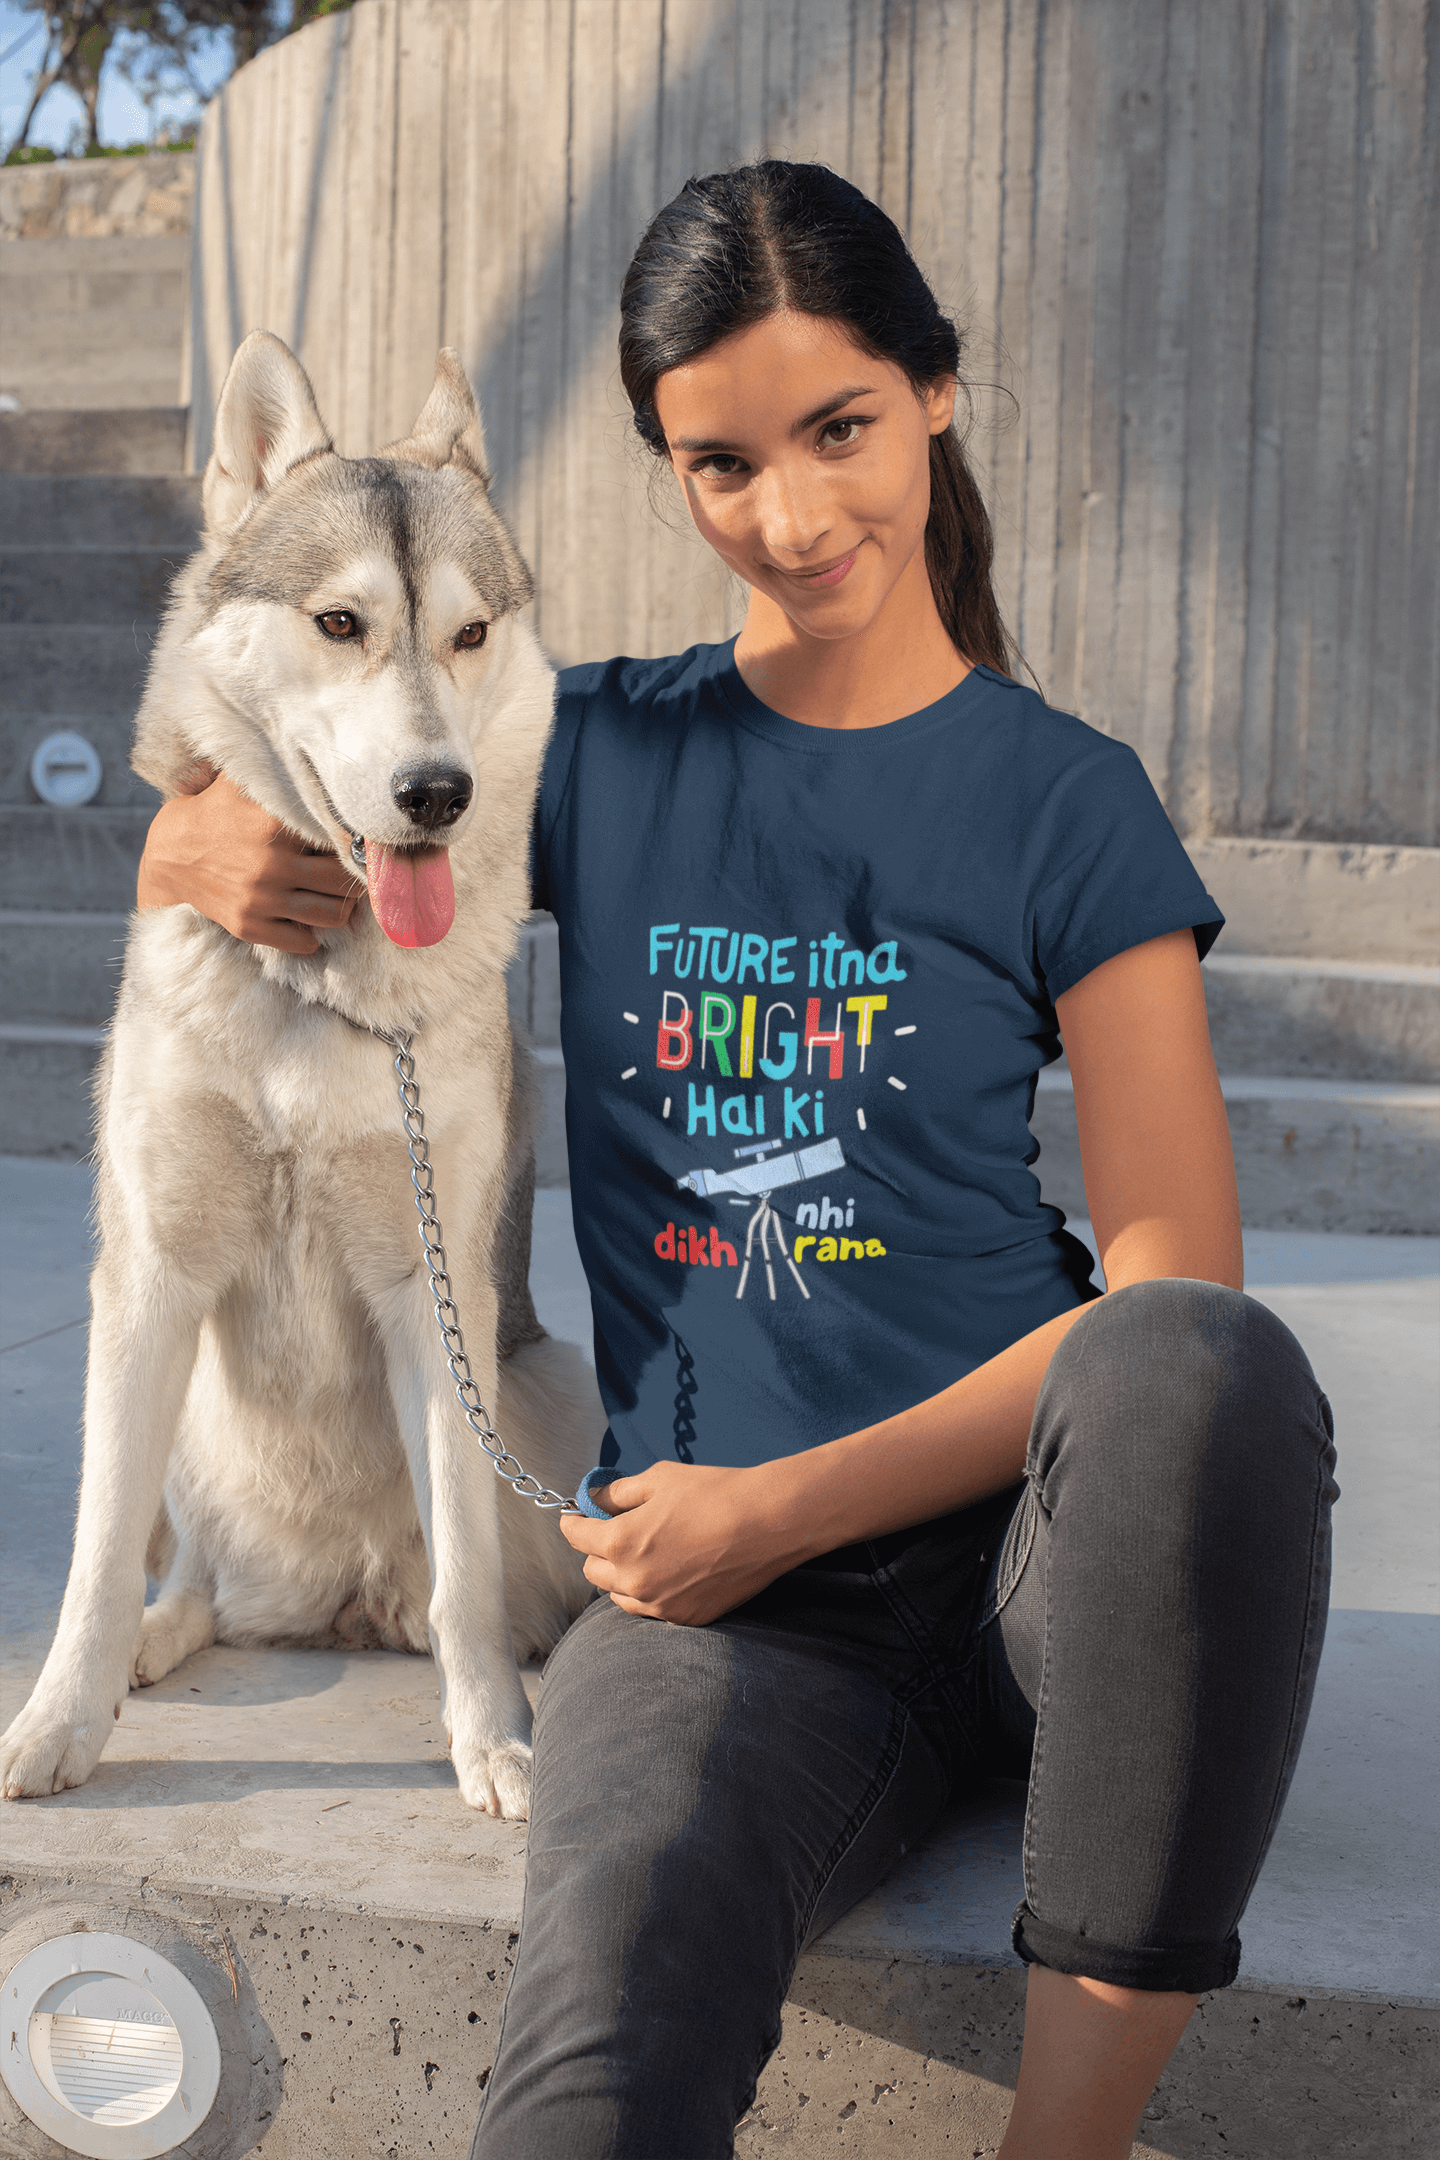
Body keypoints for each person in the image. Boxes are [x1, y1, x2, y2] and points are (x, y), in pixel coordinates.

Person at [136, 161, 1337, 2160]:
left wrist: (782, 1504)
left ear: (933, 396)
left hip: (1048, 1565)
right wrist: (189, 843)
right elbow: (264, 773)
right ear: (668, 472)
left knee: (1202, 1368)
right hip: (728, 1628)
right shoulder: (592, 751)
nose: (791, 517)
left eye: (840, 429)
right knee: (590, 2075)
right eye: (721, 463)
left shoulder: (1064, 801)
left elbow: (1169, 1289)